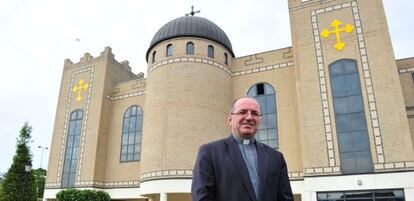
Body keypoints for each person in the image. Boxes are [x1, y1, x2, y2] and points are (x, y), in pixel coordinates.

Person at [191, 96, 293, 201]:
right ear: (230, 119)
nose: (249, 117)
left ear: (259, 120)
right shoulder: (210, 153)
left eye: (254, 113)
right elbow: (202, 197)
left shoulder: (276, 158)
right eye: (242, 112)